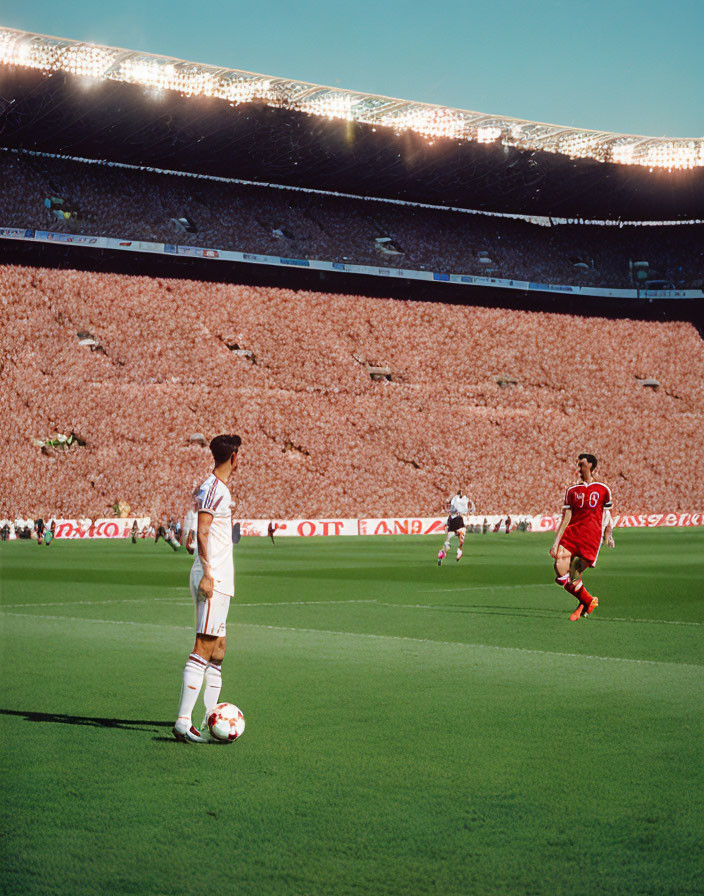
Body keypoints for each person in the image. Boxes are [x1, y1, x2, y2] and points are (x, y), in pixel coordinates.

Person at [173, 433, 242, 743]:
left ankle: (207, 717)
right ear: (234, 457)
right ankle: (183, 722)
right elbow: (201, 531)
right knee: (203, 645)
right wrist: (208, 572)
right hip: (212, 577)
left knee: (218, 650)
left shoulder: (214, 488)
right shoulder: (215, 489)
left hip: (220, 577)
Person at [549, 453, 615, 621]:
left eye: (582, 465)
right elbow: (567, 517)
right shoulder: (572, 490)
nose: (579, 468)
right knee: (561, 572)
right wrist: (556, 542)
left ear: (591, 465)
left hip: (591, 537)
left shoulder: (603, 489)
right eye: (578, 464)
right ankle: (587, 601)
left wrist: (609, 534)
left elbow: (608, 514)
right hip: (571, 535)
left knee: (574, 574)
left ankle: (585, 602)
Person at [437, 488, 473, 565]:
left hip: (453, 520)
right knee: (460, 536)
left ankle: (443, 553)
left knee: (450, 539)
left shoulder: (459, 500)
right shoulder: (456, 500)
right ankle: (458, 551)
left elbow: (464, 508)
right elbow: (458, 509)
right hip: (456, 520)